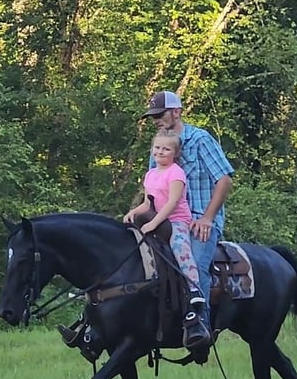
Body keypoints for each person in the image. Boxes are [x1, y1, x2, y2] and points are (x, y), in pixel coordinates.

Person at [59, 90, 234, 364]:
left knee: (195, 266)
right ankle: (95, 327)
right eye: (152, 116)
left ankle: (200, 328)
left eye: (159, 114)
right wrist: (138, 209)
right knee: (124, 262)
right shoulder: (159, 146)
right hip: (164, 219)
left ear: (176, 112)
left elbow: (224, 180)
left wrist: (208, 218)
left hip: (197, 219)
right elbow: (152, 191)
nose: (155, 120)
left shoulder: (200, 140)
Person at [123, 128, 211, 350]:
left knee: (180, 248)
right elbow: (148, 202)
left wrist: (153, 223)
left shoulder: (176, 173)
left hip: (176, 220)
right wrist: (134, 212)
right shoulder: (151, 174)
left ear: (175, 153)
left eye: (166, 149)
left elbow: (172, 203)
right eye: (157, 148)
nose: (160, 152)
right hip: (156, 217)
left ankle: (194, 290)